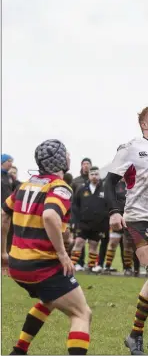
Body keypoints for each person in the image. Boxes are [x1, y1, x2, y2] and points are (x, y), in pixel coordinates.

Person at [1, 139, 92, 356]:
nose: (70, 156)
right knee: (82, 313)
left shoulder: (25, 185)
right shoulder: (59, 187)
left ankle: (19, 351)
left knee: (49, 300)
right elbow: (50, 215)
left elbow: (4, 215)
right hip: (42, 266)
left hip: (17, 264)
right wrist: (63, 254)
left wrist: (2, 252)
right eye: (66, 153)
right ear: (61, 160)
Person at [104, 107, 148, 355]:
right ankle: (135, 336)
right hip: (138, 219)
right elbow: (109, 182)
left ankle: (134, 335)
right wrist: (113, 211)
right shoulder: (131, 147)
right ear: (143, 124)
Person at [71, 166, 109, 271]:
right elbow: (75, 205)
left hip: (98, 224)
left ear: (99, 175)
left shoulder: (104, 189)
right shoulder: (82, 188)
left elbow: (109, 206)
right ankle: (73, 264)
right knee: (78, 242)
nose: (94, 177)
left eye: (96, 174)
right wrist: (75, 220)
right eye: (92, 174)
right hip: (83, 223)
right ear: (89, 175)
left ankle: (91, 266)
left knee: (93, 245)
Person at [104, 177, 133, 275]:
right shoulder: (114, 185)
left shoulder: (133, 185)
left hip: (129, 219)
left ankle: (128, 268)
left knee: (127, 245)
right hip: (117, 218)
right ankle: (107, 266)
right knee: (112, 243)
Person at [71, 158, 92, 271]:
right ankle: (79, 262)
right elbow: (73, 201)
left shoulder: (95, 181)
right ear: (81, 166)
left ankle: (92, 265)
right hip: (79, 217)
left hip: (92, 217)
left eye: (88, 164)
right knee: (79, 240)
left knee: (93, 242)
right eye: (84, 164)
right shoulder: (76, 181)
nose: (86, 166)